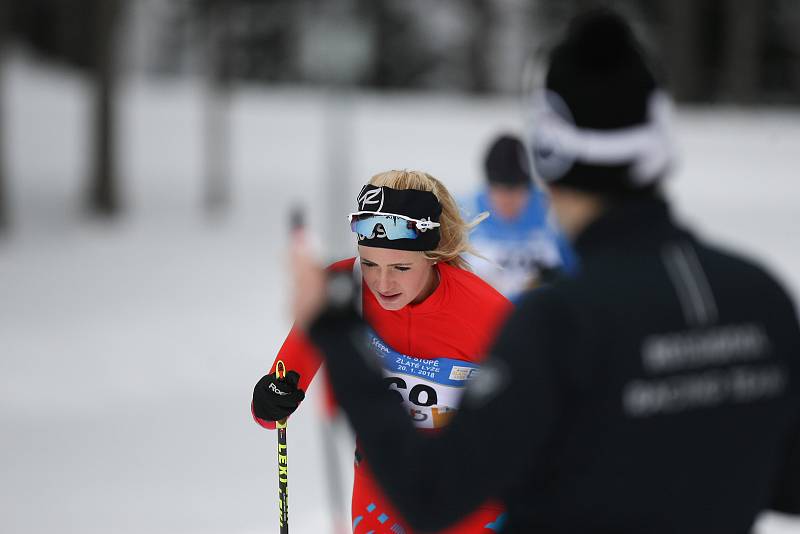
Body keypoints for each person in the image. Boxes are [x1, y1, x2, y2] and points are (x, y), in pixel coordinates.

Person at [293, 10, 800, 534]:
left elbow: (432, 492)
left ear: (548, 157)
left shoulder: (556, 325)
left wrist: (336, 332)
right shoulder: (759, 296)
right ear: (660, 143)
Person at [252, 170, 513, 533]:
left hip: (469, 493)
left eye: (401, 267)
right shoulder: (340, 294)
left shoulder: (488, 312)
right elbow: (273, 400)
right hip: (382, 488)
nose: (382, 283)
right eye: (370, 263)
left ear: (432, 255)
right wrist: (271, 399)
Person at [463, 134, 575, 300]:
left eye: (515, 190)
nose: (507, 200)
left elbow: (577, 273)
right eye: (499, 190)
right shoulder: (464, 215)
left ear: (527, 186)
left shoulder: (555, 214)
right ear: (488, 185)